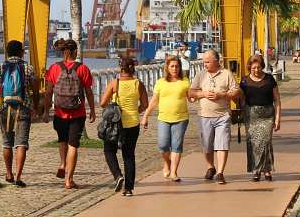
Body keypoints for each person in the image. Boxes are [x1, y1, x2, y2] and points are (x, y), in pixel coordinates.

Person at [43, 39, 96, 190]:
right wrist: (92, 109)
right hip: (77, 113)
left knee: (62, 140)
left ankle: (62, 163)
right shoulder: (82, 69)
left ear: (63, 52)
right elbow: (89, 92)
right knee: (73, 145)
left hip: (60, 112)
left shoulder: (54, 68)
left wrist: (46, 112)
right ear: (75, 52)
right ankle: (69, 180)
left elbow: (48, 93)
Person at [188, 49, 240, 185]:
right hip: (205, 115)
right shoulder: (200, 75)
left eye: (207, 62)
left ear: (216, 61)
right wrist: (203, 94)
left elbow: (236, 92)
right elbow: (191, 92)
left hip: (223, 115)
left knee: (222, 144)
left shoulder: (227, 74)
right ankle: (211, 166)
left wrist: (222, 95)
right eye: (204, 62)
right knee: (207, 145)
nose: (205, 64)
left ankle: (220, 172)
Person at [0, 40, 36, 187]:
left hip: (5, 109)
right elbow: (35, 90)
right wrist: (35, 107)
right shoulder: (28, 68)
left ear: (7, 52)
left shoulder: (1, 67)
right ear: (22, 52)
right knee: (21, 143)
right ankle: (18, 176)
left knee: (7, 143)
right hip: (23, 108)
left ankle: (8, 173)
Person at [99, 56, 148, 197]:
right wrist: (135, 112)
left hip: (115, 124)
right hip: (132, 124)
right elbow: (144, 105)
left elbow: (102, 103)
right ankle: (128, 189)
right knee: (128, 155)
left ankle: (117, 175)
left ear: (121, 69)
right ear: (133, 68)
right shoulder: (138, 84)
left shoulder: (115, 83)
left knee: (109, 150)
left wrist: (113, 105)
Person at [142, 55, 190, 182]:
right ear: (167, 68)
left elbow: (191, 97)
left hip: (181, 118)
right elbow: (153, 101)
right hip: (163, 118)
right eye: (172, 66)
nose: (175, 69)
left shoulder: (185, 81)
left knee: (176, 145)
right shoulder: (160, 82)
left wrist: (198, 96)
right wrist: (146, 115)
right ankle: (167, 163)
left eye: (177, 66)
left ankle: (174, 171)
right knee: (163, 145)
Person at [240, 54, 280, 181]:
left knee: (265, 141)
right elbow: (241, 99)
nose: (256, 70)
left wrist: (278, 118)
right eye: (253, 68)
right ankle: (256, 170)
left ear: (262, 66)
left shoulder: (269, 79)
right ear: (249, 68)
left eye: (258, 68)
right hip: (251, 115)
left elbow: (277, 100)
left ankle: (267, 169)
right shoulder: (244, 81)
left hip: (267, 115)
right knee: (254, 143)